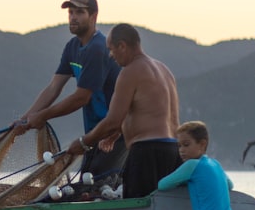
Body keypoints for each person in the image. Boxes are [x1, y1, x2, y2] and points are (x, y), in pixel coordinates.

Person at [14, 0, 127, 186]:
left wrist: (42, 116)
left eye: (79, 12)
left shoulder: (98, 48)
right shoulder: (72, 47)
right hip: (94, 134)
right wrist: (25, 118)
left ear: (93, 17)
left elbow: (81, 97)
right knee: (87, 186)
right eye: (71, 12)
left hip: (115, 132)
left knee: (99, 187)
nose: (73, 17)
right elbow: (53, 87)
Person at [68, 23, 181, 198]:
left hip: (147, 153)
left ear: (122, 46)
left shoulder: (130, 71)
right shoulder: (164, 70)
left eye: (111, 50)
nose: (111, 56)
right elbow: (148, 112)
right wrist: (116, 133)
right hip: (173, 151)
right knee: (164, 208)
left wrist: (84, 142)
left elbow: (112, 119)